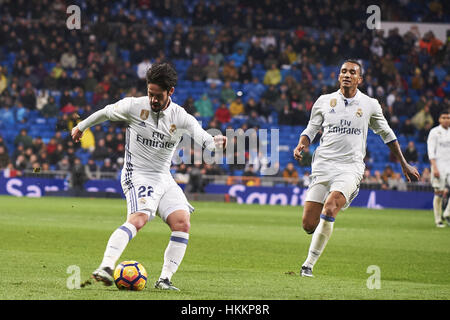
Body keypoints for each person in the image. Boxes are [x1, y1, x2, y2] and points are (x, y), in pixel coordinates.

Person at [71, 63, 227, 291]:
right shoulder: (134, 106)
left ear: (170, 92)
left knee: (182, 222)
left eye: (158, 95)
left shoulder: (180, 116)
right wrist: (82, 126)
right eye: (150, 93)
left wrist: (214, 144)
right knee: (140, 218)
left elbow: (203, 138)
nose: (153, 99)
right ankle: (105, 267)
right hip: (137, 174)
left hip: (163, 177)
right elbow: (106, 112)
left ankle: (164, 279)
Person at [293, 60, 420, 277]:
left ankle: (308, 265)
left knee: (331, 206)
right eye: (343, 71)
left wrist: (404, 163)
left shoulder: (370, 104)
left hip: (350, 167)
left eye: (352, 72)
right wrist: (302, 144)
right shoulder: (324, 101)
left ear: (359, 79)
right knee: (308, 224)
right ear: (338, 76)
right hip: (323, 165)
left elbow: (387, 134)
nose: (347, 75)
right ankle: (322, 229)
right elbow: (311, 129)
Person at [426, 109, 450, 227]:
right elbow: (431, 151)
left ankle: (447, 213)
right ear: (439, 119)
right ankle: (438, 219)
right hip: (439, 166)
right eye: (444, 117)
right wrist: (434, 167)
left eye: (448, 118)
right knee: (439, 193)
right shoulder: (434, 132)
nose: (446, 120)